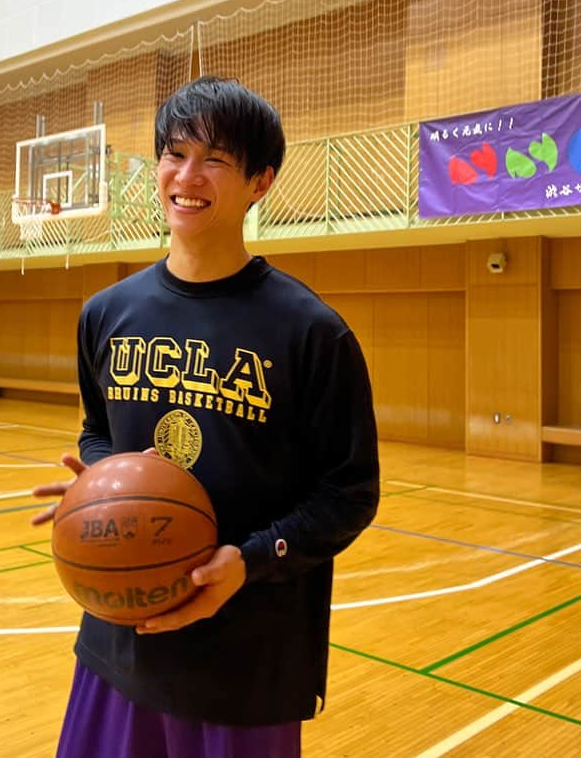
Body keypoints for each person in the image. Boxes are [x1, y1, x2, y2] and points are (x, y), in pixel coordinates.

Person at [32, 76, 380, 758]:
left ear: (259, 182)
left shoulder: (310, 331)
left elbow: (349, 492)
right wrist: (100, 481)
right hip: (118, 644)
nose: (186, 176)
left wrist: (248, 561)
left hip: (245, 662)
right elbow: (99, 430)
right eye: (173, 153)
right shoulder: (104, 314)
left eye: (214, 159)